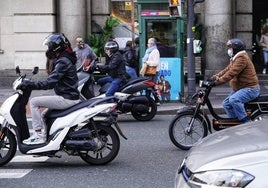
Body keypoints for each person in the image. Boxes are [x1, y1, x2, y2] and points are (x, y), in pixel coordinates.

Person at [17, 33, 81, 145]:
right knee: (44, 115)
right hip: (68, 95)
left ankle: (37, 135)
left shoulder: (63, 61)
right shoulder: (64, 58)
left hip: (66, 98)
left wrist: (30, 84)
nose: (48, 49)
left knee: (33, 102)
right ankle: (46, 138)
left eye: (49, 46)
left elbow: (49, 83)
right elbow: (52, 79)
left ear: (55, 47)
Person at [211, 38, 260, 123]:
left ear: (236, 48)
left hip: (250, 89)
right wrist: (214, 77)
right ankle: (235, 124)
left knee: (234, 100)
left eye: (230, 48)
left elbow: (231, 73)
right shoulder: (236, 58)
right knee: (226, 104)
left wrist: (217, 82)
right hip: (241, 88)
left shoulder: (242, 58)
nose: (229, 50)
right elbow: (227, 70)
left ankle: (245, 123)